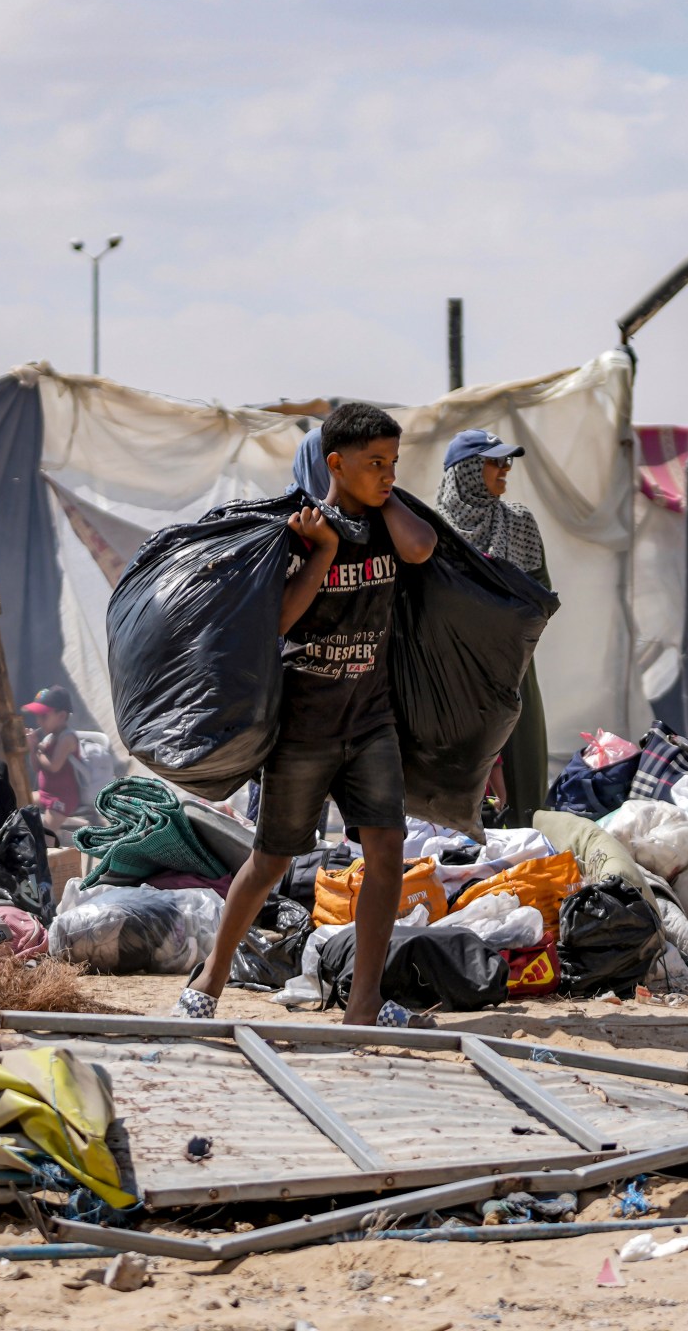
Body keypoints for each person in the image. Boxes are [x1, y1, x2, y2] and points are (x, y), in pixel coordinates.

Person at [176, 402, 437, 1027]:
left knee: (387, 849)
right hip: (305, 726)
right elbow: (280, 622)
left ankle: (365, 1003)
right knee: (271, 858)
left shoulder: (388, 524)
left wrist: (381, 494)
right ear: (333, 462)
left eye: (393, 463)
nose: (387, 474)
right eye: (373, 463)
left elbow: (422, 548)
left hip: (369, 720)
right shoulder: (294, 530)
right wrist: (321, 548)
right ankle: (209, 983)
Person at [437, 429, 549, 822]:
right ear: (466, 471)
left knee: (523, 797)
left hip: (513, 673)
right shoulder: (432, 534)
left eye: (508, 461)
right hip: (453, 683)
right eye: (495, 461)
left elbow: (542, 599)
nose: (505, 469)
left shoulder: (519, 524)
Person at [22, 686, 85, 823]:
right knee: (19, 800)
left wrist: (37, 749)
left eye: (44, 716)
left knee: (46, 834)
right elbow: (37, 768)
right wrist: (32, 749)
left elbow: (54, 766)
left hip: (62, 799)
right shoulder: (50, 738)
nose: (38, 721)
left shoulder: (67, 739)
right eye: (37, 716)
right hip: (45, 794)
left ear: (61, 716)